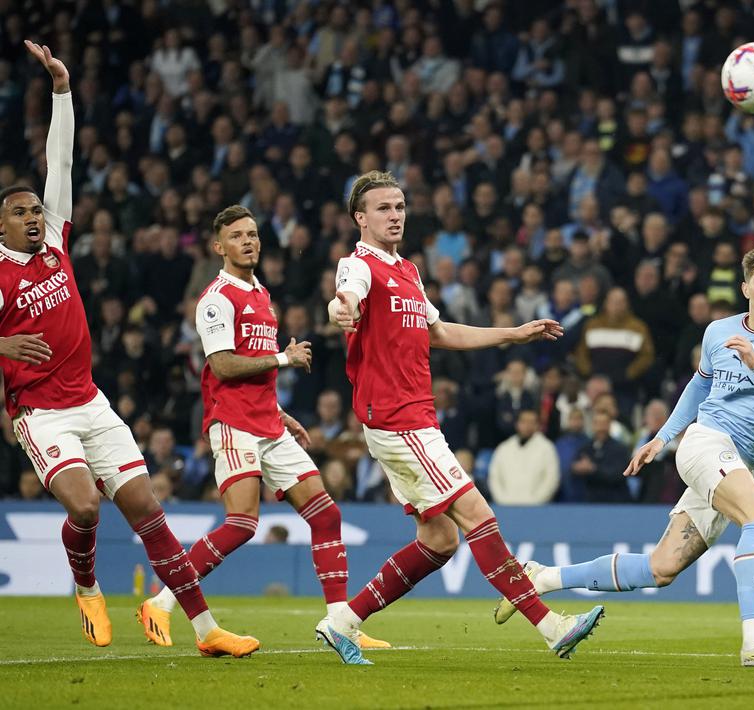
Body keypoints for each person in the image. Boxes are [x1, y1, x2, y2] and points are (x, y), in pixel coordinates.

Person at [0, 41, 256, 657]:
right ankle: (87, 586)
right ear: (0, 225)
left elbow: (60, 160)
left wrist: (62, 91)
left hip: (90, 401)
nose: (33, 216)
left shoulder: (54, 241)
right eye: (19, 212)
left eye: (36, 208)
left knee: (147, 507)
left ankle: (206, 631)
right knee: (86, 506)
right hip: (41, 412)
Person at [317, 171, 604, 665]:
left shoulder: (407, 271)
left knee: (440, 539)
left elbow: (441, 332)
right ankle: (552, 626)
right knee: (477, 516)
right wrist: (340, 310)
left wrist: (512, 334)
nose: (395, 215)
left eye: (400, 206)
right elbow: (346, 297)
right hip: (397, 419)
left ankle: (342, 622)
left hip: (412, 418)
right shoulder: (358, 265)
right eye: (383, 208)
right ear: (360, 217)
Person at [496, 244, 754, 668]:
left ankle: (542, 577)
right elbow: (699, 386)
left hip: (737, 462)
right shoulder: (718, 332)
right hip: (706, 444)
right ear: (745, 288)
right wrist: (662, 437)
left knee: (661, 568)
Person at [138, 205, 388, 651]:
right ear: (219, 247)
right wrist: (283, 358)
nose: (248, 242)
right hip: (233, 423)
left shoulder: (261, 294)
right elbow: (223, 365)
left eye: (252, 234)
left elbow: (256, 369)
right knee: (241, 523)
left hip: (268, 423)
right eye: (237, 236)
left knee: (326, 515)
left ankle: (341, 623)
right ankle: (161, 601)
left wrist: (280, 412)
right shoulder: (216, 299)